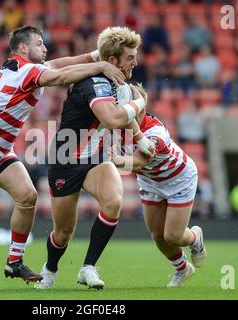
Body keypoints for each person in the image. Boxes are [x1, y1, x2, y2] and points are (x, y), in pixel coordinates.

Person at [0, 25, 126, 288]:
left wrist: (98, 56)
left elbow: (61, 64)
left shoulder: (22, 67)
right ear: (24, 48)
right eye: (39, 43)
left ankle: (14, 262)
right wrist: (101, 67)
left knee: (27, 197)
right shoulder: (27, 71)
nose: (45, 47)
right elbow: (61, 76)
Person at [35, 26, 155, 290]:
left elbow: (124, 114)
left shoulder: (119, 83)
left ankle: (88, 267)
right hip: (66, 159)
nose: (135, 62)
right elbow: (113, 117)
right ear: (111, 61)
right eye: (129, 57)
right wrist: (140, 103)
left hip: (96, 157)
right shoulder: (95, 82)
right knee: (63, 233)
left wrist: (139, 138)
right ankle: (50, 269)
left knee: (113, 202)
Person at [107, 99, 207, 288]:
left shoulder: (155, 132)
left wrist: (117, 160)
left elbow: (138, 163)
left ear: (141, 110)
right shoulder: (117, 127)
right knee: (157, 235)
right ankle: (183, 269)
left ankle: (195, 238)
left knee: (173, 236)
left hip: (178, 179)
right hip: (151, 181)